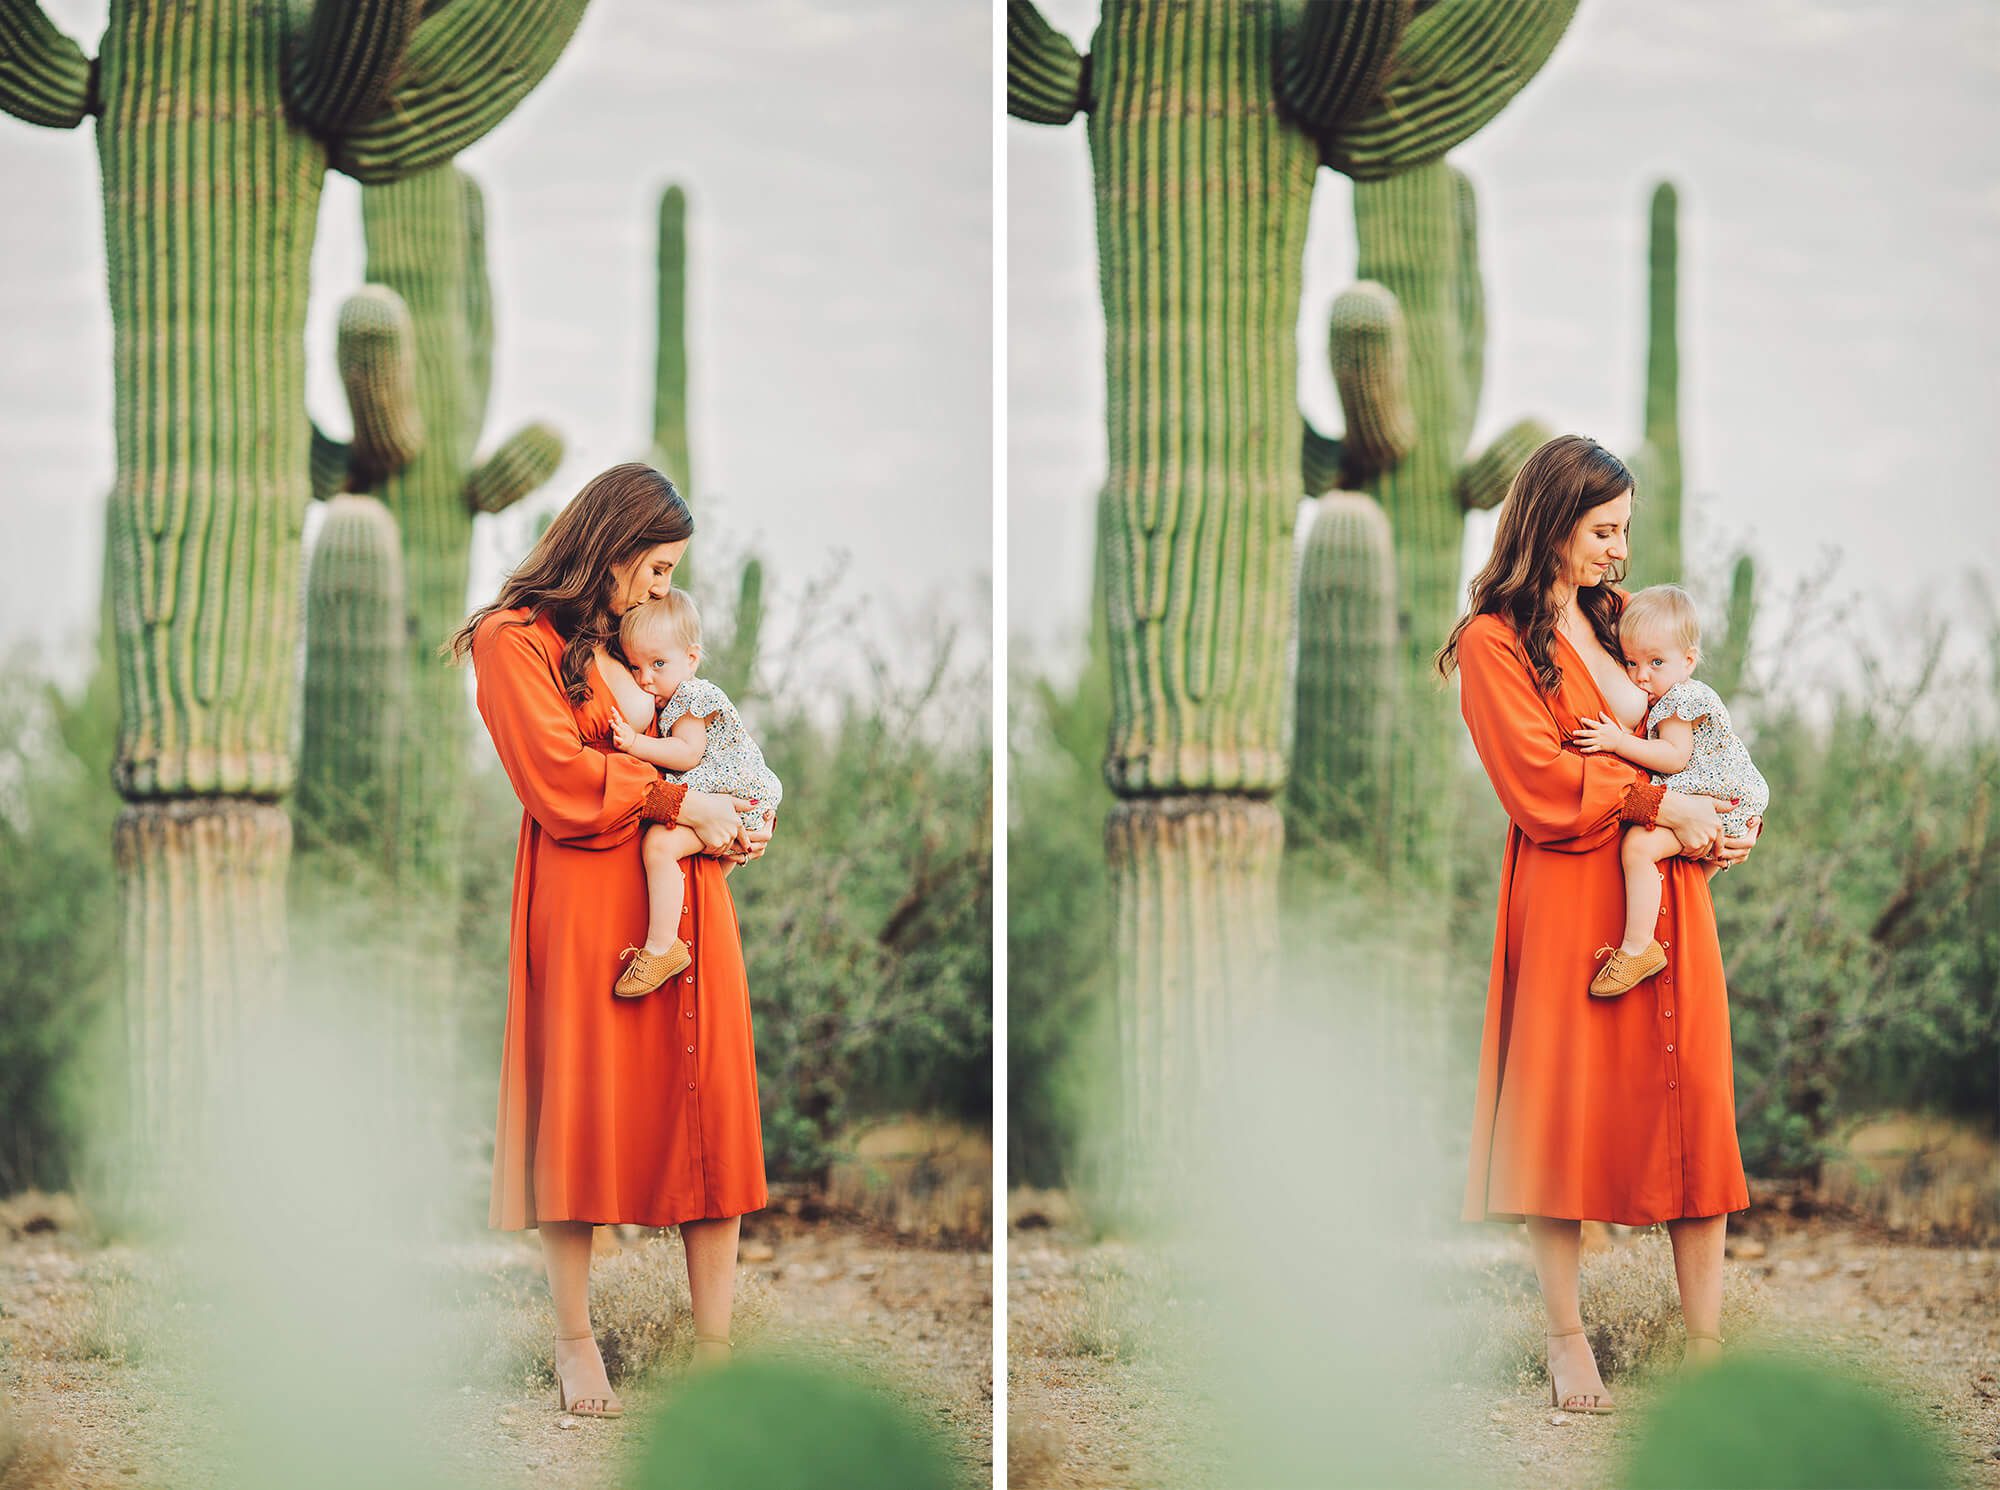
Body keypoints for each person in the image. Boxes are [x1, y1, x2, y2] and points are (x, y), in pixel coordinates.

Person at [1436, 434, 1762, 1415]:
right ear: (1550, 523)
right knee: (1558, 1118)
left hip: (1663, 897)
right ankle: (1564, 1337)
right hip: (1565, 894)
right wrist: (1662, 808)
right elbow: (1538, 783)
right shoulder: (1493, 640)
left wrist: (1712, 821)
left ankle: (1702, 1344)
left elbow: (1686, 735)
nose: (1618, 551)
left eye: (1622, 530)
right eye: (1602, 530)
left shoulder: (1619, 618)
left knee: (1687, 1100)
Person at [446, 462, 773, 1419]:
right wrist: (689, 802)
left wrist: (738, 815)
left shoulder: (629, 641)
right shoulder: (512, 643)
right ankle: (575, 1342)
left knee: (706, 1105)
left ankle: (715, 1350)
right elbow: (558, 779)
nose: (663, 589)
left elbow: (702, 739)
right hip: (583, 896)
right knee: (580, 1118)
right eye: (658, 568)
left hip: (682, 896)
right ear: (613, 545)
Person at [1571, 583, 1771, 997]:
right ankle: (1665, 932)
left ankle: (1636, 947)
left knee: (1638, 850)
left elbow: (1674, 757)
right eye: (1631, 663)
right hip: (1729, 803)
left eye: (1656, 662)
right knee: (1692, 881)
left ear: (1688, 661)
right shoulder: (1678, 690)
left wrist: (1617, 742)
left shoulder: (1679, 700)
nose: (1641, 675)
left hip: (1717, 805)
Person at [598, 588, 784, 997]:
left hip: (734, 797)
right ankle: (685, 932)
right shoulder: (671, 692)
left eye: (658, 663)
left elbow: (686, 753)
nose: (646, 677)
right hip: (734, 800)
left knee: (660, 848)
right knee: (704, 877)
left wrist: (633, 743)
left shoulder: (692, 695)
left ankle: (662, 947)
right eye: (635, 666)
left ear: (692, 658)